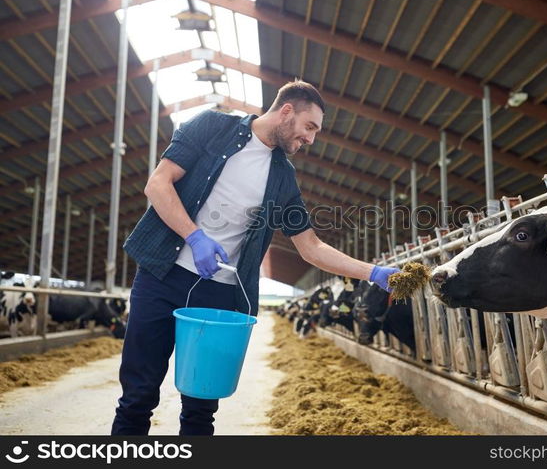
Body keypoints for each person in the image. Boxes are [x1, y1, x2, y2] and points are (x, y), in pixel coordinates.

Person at [111, 80, 399, 435]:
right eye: (310, 127)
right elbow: (158, 184)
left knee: (201, 407)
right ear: (287, 111)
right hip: (161, 277)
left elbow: (311, 247)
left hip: (218, 296)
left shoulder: (283, 178)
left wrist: (373, 272)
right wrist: (194, 237)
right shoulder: (212, 127)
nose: (311, 139)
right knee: (138, 396)